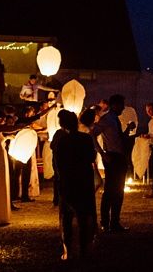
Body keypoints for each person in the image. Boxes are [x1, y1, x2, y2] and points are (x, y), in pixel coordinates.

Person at [52, 109, 97, 260]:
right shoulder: (86, 138)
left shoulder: (63, 140)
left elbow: (58, 163)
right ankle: (85, 248)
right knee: (84, 215)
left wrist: (61, 178)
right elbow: (92, 156)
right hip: (84, 178)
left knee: (67, 217)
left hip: (68, 179)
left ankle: (68, 250)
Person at [92, 93, 134, 233]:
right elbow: (92, 134)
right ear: (115, 105)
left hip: (119, 157)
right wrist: (102, 153)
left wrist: (128, 130)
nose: (123, 108)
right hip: (112, 157)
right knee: (110, 190)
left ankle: (114, 222)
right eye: (121, 105)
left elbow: (119, 138)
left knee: (118, 190)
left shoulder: (114, 119)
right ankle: (106, 222)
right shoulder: (107, 119)